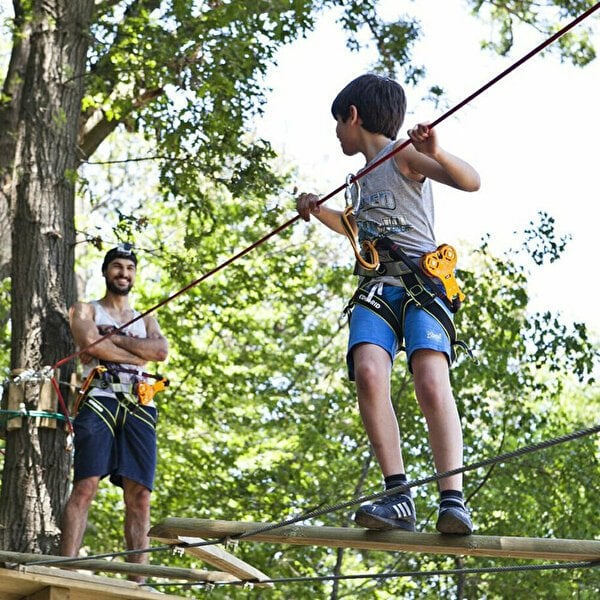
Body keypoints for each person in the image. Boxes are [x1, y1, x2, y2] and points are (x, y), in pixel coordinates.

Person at [296, 74, 480, 535]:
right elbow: (355, 228)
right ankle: (397, 494)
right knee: (369, 373)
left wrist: (434, 151)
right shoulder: (356, 179)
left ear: (352, 116)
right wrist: (318, 210)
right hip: (378, 288)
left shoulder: (403, 156)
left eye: (337, 123)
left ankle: (452, 497)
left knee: (431, 381)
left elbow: (471, 182)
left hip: (422, 285)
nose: (336, 133)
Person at [60, 244, 168, 581]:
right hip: (100, 399)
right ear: (106, 271)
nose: (124, 273)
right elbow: (91, 346)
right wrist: (137, 353)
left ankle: (138, 581)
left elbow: (160, 351)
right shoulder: (85, 309)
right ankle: (67, 569)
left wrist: (115, 342)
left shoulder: (146, 316)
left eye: (129, 268)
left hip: (140, 402)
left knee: (141, 496)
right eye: (117, 267)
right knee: (85, 485)